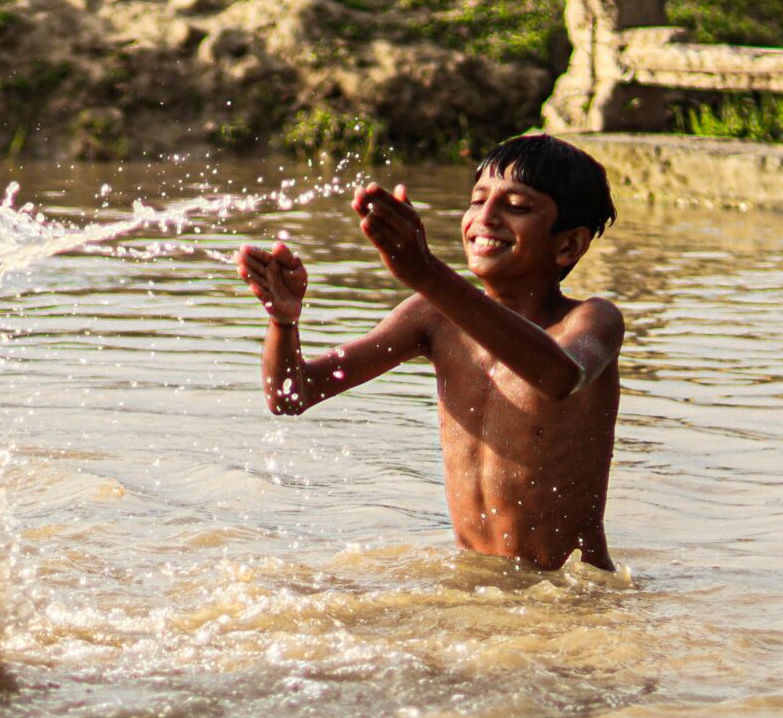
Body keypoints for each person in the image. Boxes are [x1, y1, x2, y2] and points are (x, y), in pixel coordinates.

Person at [234, 134, 625, 571]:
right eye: (477, 201)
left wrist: (426, 272)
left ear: (569, 245)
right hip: (476, 582)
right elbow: (292, 395)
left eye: (515, 205)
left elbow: (558, 377)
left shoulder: (592, 321)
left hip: (574, 599)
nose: (486, 217)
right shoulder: (433, 316)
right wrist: (284, 323)